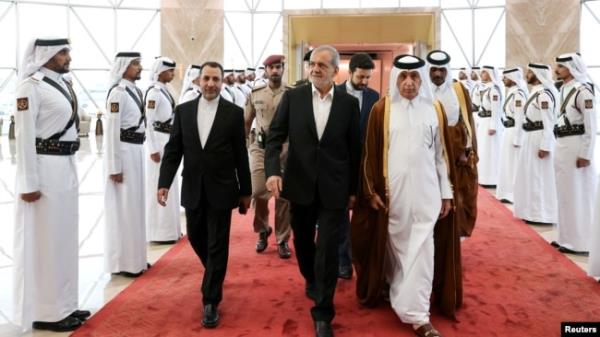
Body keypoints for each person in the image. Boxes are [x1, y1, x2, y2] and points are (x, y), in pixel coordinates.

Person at [351, 54, 456, 337]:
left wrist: (446, 193)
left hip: (427, 195)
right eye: (403, 77)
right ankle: (395, 289)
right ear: (395, 79)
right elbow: (370, 155)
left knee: (423, 250)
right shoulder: (381, 110)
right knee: (396, 250)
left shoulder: (435, 109)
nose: (409, 83)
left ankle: (418, 316)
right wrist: (371, 191)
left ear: (422, 79)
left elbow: (441, 157)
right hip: (393, 198)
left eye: (414, 77)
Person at [265, 45, 360, 337]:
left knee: (328, 249)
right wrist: (272, 172)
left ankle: (323, 313)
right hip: (300, 185)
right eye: (313, 64)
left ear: (335, 71)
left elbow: (356, 150)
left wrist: (354, 190)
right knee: (303, 242)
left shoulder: (348, 104)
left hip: (334, 188)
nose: (316, 69)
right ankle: (311, 278)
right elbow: (274, 137)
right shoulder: (293, 98)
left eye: (322, 65)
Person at [157, 61, 251, 328]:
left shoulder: (233, 113)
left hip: (222, 189)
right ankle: (215, 270)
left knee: (217, 243)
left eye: (215, 79)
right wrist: (164, 182)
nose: (210, 84)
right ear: (198, 81)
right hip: (193, 188)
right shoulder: (183, 111)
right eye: (206, 79)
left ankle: (210, 300)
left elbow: (240, 155)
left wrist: (245, 191)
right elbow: (174, 150)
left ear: (222, 82)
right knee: (197, 237)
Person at [13, 37, 90, 332]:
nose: (68, 56)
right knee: (46, 241)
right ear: (45, 54)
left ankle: (66, 303)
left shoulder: (61, 83)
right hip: (44, 172)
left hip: (65, 167)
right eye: (62, 52)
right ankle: (47, 311)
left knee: (64, 237)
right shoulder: (29, 86)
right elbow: (23, 136)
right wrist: (28, 182)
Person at [335, 52, 380, 280]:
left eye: (367, 78)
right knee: (341, 214)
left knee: (364, 215)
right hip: (341, 165)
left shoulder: (374, 96)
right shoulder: (334, 94)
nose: (364, 82)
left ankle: (362, 259)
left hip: (365, 165)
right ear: (350, 72)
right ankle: (343, 260)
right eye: (361, 77)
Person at [104, 51, 149, 277]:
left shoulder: (135, 90)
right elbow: (111, 131)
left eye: (139, 63)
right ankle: (124, 262)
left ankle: (137, 258)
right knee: (125, 208)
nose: (140, 67)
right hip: (123, 151)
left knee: (135, 206)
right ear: (123, 67)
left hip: (136, 150)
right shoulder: (117, 93)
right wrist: (114, 166)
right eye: (135, 64)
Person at [244, 55, 292, 258]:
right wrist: (246, 145)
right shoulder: (255, 93)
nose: (275, 71)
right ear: (265, 70)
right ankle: (263, 230)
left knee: (284, 196)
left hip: (285, 148)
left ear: (283, 68)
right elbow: (247, 121)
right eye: (271, 67)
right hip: (260, 148)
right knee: (257, 192)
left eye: (278, 67)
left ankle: (282, 239)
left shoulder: (292, 93)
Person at [426, 49, 478, 239]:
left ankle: (453, 235)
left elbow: (466, 121)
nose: (438, 74)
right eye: (433, 70)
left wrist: (467, 150)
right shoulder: (421, 88)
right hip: (427, 150)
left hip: (455, 153)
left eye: (441, 70)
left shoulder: (458, 90)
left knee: (456, 193)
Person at [552, 52, 597, 255]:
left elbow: (591, 125)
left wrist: (586, 154)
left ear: (570, 68)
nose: (556, 70)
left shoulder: (583, 91)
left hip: (576, 146)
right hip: (562, 145)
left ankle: (581, 242)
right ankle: (566, 238)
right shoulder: (563, 89)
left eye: (560, 67)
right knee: (565, 194)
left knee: (578, 194)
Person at [513, 63, 558, 225]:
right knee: (531, 176)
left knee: (539, 177)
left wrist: (545, 145)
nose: (527, 75)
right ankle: (531, 212)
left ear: (538, 75)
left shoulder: (543, 95)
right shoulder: (535, 93)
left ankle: (541, 214)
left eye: (530, 72)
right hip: (531, 137)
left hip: (539, 138)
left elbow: (549, 122)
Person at [144, 56, 181, 244]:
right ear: (160, 72)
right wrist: (152, 148)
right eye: (170, 71)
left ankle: (171, 230)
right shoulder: (154, 93)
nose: (173, 74)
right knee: (159, 185)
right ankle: (159, 233)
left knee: (171, 185)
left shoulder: (163, 91)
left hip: (166, 138)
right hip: (158, 141)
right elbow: (147, 121)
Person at [495, 67, 528, 203]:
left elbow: (520, 117)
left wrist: (518, 138)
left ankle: (513, 194)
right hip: (508, 130)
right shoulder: (512, 92)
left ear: (513, 79)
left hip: (515, 131)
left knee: (513, 164)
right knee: (507, 163)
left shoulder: (518, 94)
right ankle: (506, 193)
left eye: (505, 77)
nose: (503, 79)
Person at [476, 65, 504, 187]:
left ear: (490, 74)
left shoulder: (494, 90)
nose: (481, 74)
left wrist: (493, 125)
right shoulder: (483, 88)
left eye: (484, 72)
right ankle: (483, 178)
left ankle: (492, 179)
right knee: (482, 151)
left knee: (491, 151)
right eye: (481, 72)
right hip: (482, 122)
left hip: (490, 124)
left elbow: (496, 110)